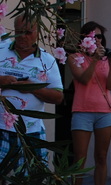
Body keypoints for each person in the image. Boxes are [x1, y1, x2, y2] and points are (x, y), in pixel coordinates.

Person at [0, 14, 64, 167]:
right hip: (1, 128)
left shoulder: (46, 60)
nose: (23, 36)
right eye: (19, 31)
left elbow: (58, 97)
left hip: (31, 131)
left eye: (28, 32)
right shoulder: (1, 51)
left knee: (32, 181)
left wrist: (32, 88)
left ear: (37, 32)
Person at [68, 21, 111, 185]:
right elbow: (84, 79)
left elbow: (110, 85)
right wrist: (95, 60)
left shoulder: (105, 59)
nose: (97, 40)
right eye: (93, 36)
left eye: (99, 37)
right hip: (82, 111)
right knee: (80, 158)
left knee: (101, 157)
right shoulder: (75, 57)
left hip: (104, 112)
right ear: (84, 38)